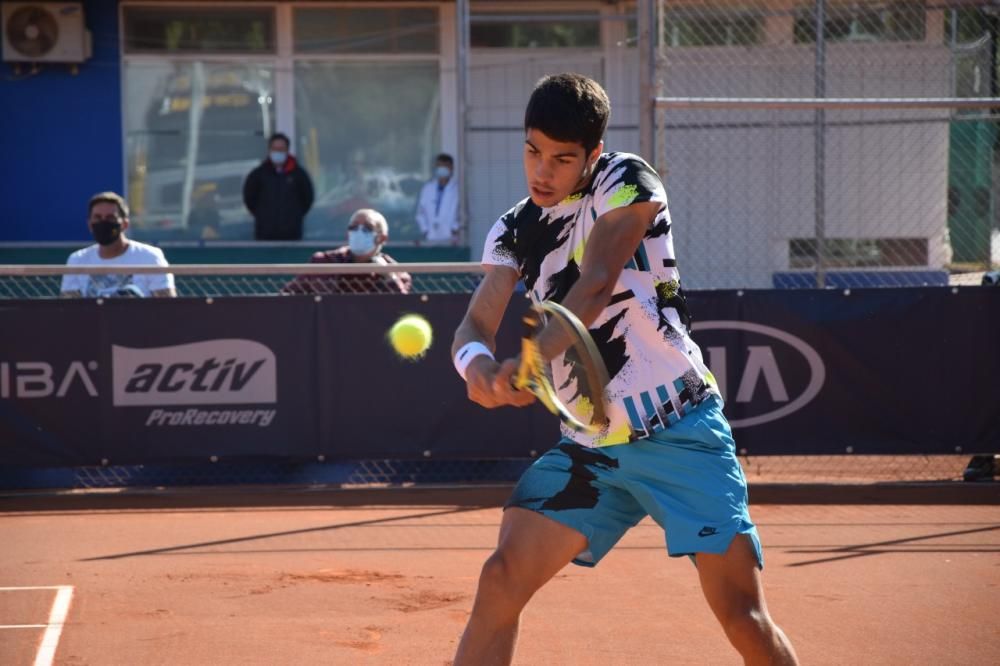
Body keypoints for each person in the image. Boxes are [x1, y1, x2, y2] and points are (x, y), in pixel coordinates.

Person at [450, 73, 799, 665]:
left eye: (563, 159)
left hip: (681, 433)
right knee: (502, 577)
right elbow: (474, 325)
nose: (543, 171)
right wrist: (477, 367)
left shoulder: (627, 180)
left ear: (594, 155)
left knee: (742, 617)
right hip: (589, 449)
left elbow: (595, 283)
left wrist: (531, 365)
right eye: (533, 151)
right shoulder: (513, 228)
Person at [61, 192, 175, 298]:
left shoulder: (150, 257)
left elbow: (166, 305)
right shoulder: (77, 260)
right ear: (90, 224)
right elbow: (68, 307)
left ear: (124, 224)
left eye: (110, 218)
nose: (103, 222)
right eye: (97, 217)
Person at [281, 208, 411, 295]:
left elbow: (402, 307)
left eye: (367, 228)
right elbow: (286, 295)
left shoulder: (397, 273)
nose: (358, 232)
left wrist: (388, 276)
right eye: (353, 227)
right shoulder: (324, 262)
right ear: (348, 234)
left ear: (382, 238)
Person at [243, 132, 314, 240]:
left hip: (291, 236)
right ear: (269, 150)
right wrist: (262, 216)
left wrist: (294, 216)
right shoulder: (259, 174)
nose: (278, 152)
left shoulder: (298, 175)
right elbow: (249, 198)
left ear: (287, 150)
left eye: (281, 149)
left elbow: (307, 199)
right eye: (275, 149)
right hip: (265, 236)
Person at [415, 153, 460, 242]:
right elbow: (420, 212)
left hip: (451, 238)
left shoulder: (458, 189)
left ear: (452, 168)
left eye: (445, 166)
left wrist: (454, 229)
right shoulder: (428, 188)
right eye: (440, 166)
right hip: (430, 237)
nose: (442, 169)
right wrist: (425, 230)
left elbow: (463, 213)